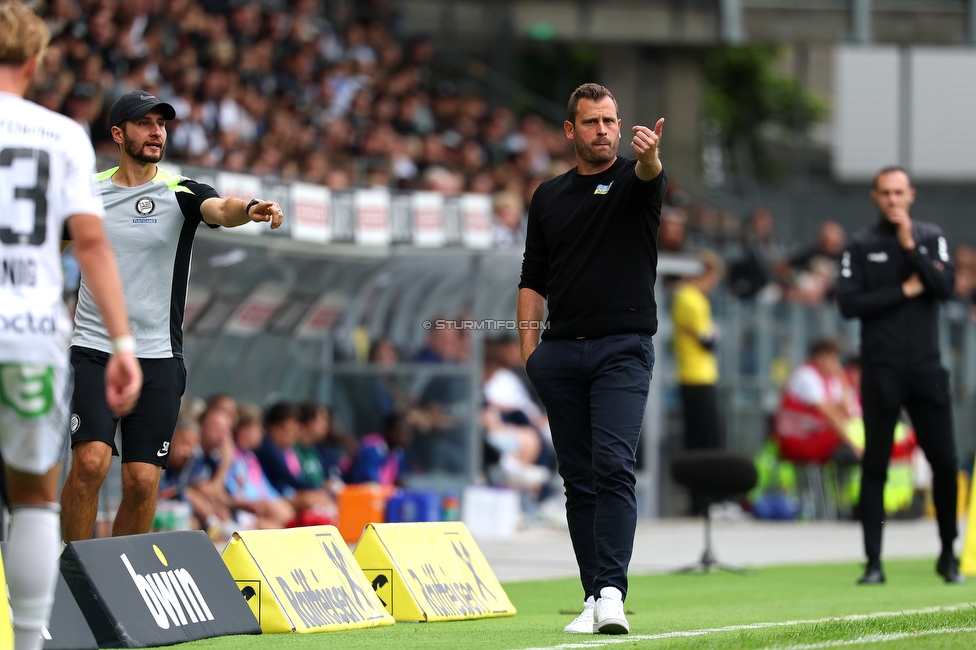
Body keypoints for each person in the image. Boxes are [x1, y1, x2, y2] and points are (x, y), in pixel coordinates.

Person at [59, 89, 285, 543]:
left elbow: (220, 209)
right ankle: (69, 573)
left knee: (142, 481)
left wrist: (250, 210)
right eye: (145, 123)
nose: (157, 131)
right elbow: (48, 243)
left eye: (162, 124)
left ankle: (117, 575)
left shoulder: (181, 191)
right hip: (94, 350)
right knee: (90, 463)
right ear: (119, 134)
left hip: (159, 357)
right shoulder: (86, 193)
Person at [0, 6, 142, 650]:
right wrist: (121, 343)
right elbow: (91, 245)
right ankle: (30, 642)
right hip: (29, 331)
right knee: (33, 499)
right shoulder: (61, 135)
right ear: (34, 62)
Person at [518, 82, 665, 635]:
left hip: (622, 350)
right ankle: (591, 595)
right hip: (559, 354)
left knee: (612, 465)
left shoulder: (636, 178)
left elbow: (651, 177)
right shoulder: (548, 196)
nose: (603, 131)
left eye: (610, 121)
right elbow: (533, 277)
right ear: (570, 130)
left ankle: (612, 593)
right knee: (577, 480)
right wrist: (530, 352)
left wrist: (650, 158)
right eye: (592, 122)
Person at [836, 165, 962, 585]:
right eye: (885, 193)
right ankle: (873, 563)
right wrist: (905, 290)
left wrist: (911, 249)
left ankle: (948, 555)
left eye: (899, 192)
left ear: (911, 196)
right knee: (876, 464)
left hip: (926, 368)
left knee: (945, 462)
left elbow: (944, 288)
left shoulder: (930, 237)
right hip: (881, 368)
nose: (892, 200)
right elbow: (849, 304)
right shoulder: (861, 244)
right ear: (874, 196)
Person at [671, 249, 724, 515]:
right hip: (696, 376)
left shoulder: (688, 298)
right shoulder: (691, 299)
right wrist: (714, 334)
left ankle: (703, 500)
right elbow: (708, 340)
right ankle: (702, 502)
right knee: (704, 441)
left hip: (696, 375)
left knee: (702, 438)